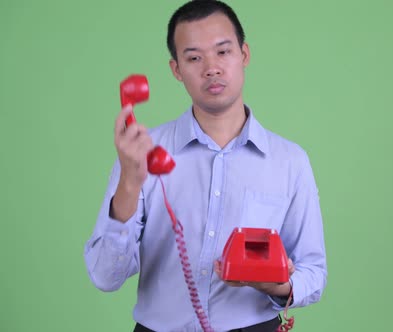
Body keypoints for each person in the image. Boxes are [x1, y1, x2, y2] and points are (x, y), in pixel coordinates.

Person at [83, 1, 327, 331]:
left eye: (223, 52)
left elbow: (314, 270)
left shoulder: (289, 161)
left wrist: (279, 286)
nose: (210, 68)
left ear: (244, 54)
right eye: (194, 57)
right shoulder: (141, 153)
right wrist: (129, 181)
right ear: (176, 69)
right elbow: (104, 276)